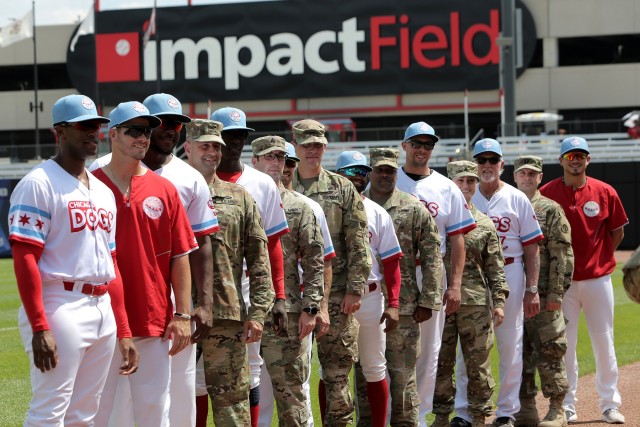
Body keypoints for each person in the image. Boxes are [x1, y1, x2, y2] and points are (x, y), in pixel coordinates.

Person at [90, 93, 219, 427]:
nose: (142, 137)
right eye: (133, 130)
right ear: (113, 133)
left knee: (154, 411)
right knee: (103, 414)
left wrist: (183, 313)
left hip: (152, 314)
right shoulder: (89, 183)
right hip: (100, 315)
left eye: (147, 130)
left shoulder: (165, 188)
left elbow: (182, 254)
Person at [9, 94, 137, 426]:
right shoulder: (38, 184)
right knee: (49, 410)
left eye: (96, 126)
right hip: (60, 303)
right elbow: (24, 258)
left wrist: (123, 328)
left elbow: (112, 264)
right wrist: (40, 326)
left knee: (85, 414)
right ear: (60, 132)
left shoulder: (104, 191)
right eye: (83, 127)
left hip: (101, 306)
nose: (92, 132)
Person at [184, 119, 275, 426]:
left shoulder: (239, 197)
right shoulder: (172, 191)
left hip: (226, 315)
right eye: (204, 145)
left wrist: (259, 311)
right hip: (177, 312)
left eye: (216, 147)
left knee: (232, 402)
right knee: (175, 398)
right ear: (187, 148)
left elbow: (260, 259)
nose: (212, 153)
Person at [454, 138, 543, 427]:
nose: (487, 166)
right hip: (472, 279)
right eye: (482, 161)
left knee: (509, 345)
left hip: (511, 271)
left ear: (503, 165)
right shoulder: (463, 195)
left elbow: (532, 247)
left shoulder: (516, 197)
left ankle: (506, 411)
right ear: (475, 164)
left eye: (493, 160)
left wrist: (532, 288)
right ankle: (464, 412)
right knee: (467, 346)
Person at [541, 137, 628, 425]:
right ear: (561, 160)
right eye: (570, 155)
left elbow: (617, 232)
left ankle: (609, 405)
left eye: (580, 155)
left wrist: (599, 259)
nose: (575, 159)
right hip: (561, 283)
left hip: (597, 280)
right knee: (564, 346)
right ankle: (566, 405)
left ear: (588, 159)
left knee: (604, 343)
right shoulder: (547, 192)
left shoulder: (605, 191)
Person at [211, 106, 289, 427]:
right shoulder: (193, 178)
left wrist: (279, 297)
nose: (235, 142)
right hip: (201, 292)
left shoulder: (262, 183)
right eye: (229, 135)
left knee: (251, 367)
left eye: (241, 135)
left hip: (245, 287)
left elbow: (273, 244)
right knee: (198, 376)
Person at [291, 119, 372, 427]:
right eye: (306, 145)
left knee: (337, 376)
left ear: (325, 147)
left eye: (318, 145)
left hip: (336, 295)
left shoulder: (342, 187)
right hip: (293, 294)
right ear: (296, 146)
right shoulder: (284, 186)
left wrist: (355, 289)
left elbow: (358, 242)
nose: (312, 151)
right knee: (293, 378)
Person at [395, 121, 476, 427]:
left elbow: (457, 239)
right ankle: (391, 413)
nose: (422, 150)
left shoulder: (446, 187)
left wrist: (454, 285)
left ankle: (418, 416)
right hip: (395, 273)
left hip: (430, 275)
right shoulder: (389, 180)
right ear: (404, 146)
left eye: (428, 145)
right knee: (388, 347)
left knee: (428, 351)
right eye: (416, 143)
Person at [255, 141, 336, 426]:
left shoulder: (301, 207)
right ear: (255, 161)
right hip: (247, 309)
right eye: (270, 157)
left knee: (292, 394)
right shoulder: (242, 198)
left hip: (289, 313)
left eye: (284, 159)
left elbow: (316, 261)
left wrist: (312, 308)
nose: (277, 164)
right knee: (246, 394)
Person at [364, 147, 443, 426]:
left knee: (403, 376)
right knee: (366, 375)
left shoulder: (413, 207)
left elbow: (433, 255)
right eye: (379, 170)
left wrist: (429, 300)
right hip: (367, 304)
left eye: (390, 170)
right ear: (370, 172)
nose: (385, 175)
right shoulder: (356, 206)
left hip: (406, 307)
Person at [432, 160, 509, 427]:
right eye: (460, 181)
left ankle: (478, 417)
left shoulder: (485, 224)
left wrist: (498, 302)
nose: (466, 186)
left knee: (478, 364)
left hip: (474, 303)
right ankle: (441, 417)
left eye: (471, 181)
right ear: (450, 183)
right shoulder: (437, 218)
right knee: (440, 362)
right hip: (440, 301)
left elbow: (495, 268)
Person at [335, 150, 403, 427]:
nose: (357, 178)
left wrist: (395, 303)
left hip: (371, 296)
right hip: (335, 297)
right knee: (334, 370)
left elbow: (391, 262)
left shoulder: (378, 212)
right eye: (351, 172)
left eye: (362, 172)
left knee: (375, 367)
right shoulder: (327, 209)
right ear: (338, 175)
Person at [512, 155, 573, 427]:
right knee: (518, 353)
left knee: (550, 351)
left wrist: (555, 296)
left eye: (532, 174)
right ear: (514, 176)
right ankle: (526, 408)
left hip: (545, 295)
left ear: (540, 177)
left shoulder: (550, 209)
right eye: (522, 173)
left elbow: (563, 255)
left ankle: (557, 409)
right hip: (513, 295)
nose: (527, 177)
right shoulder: (507, 205)